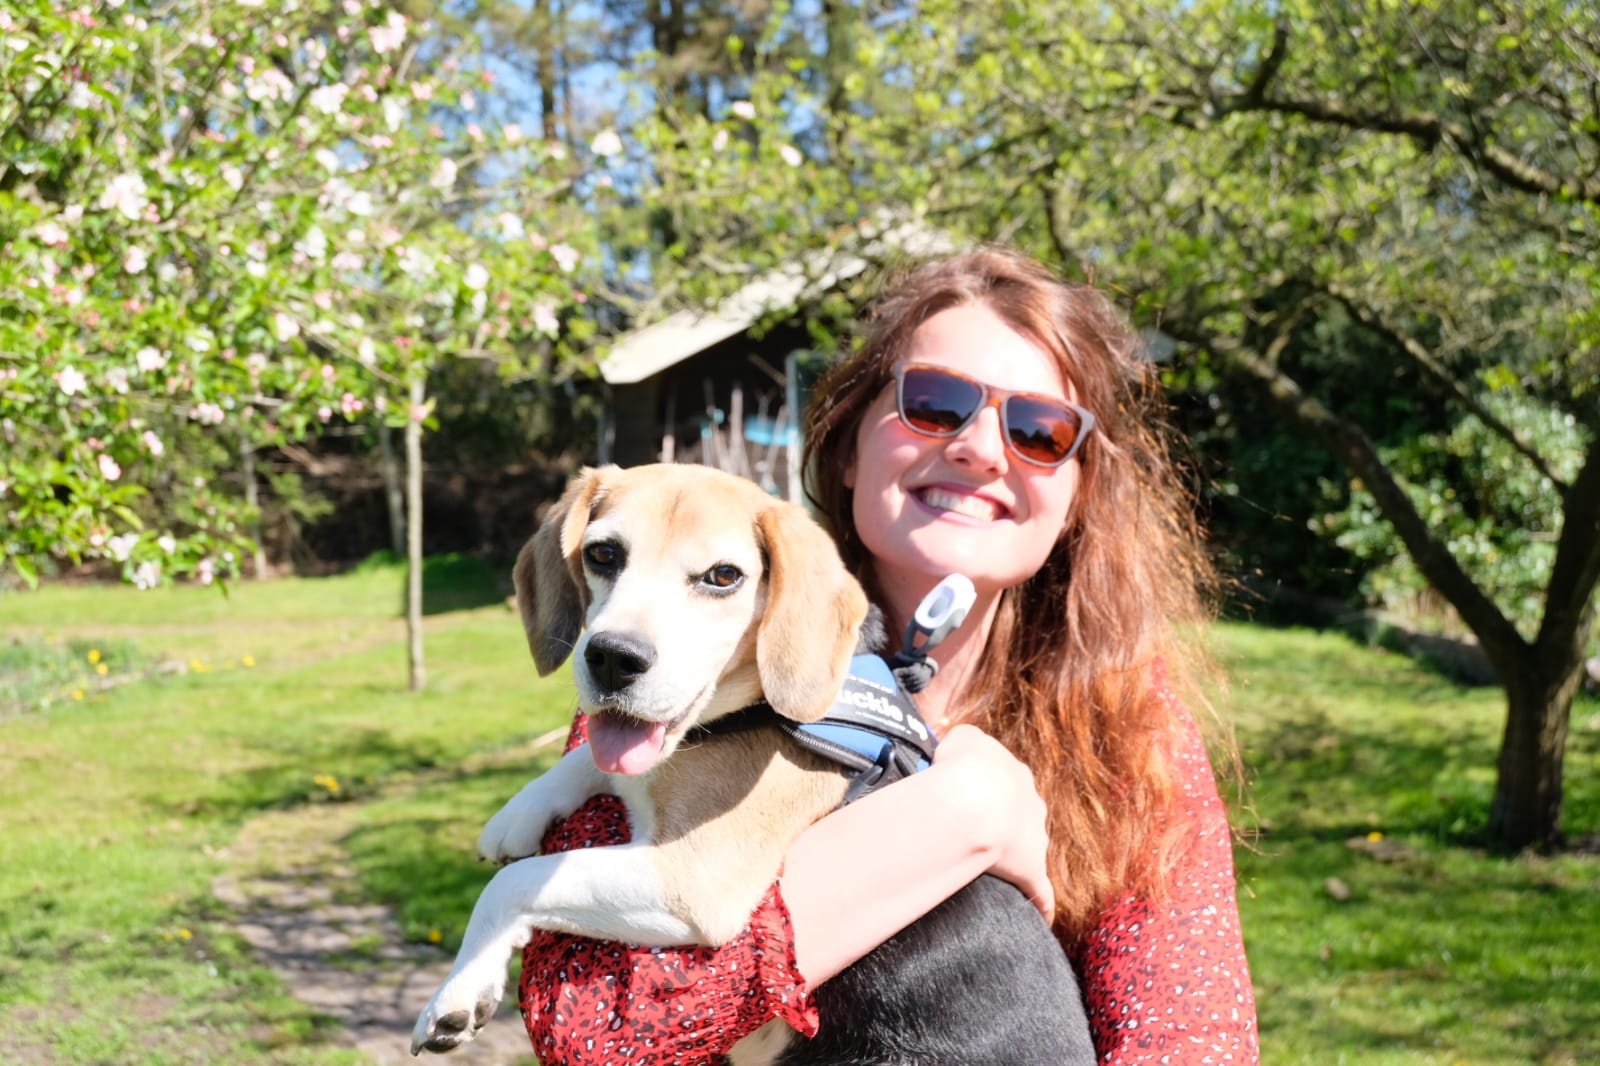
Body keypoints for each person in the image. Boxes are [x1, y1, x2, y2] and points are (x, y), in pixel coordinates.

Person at [516, 247, 1259, 1064]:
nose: (982, 448)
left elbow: (1190, 1044)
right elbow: (592, 1031)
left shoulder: (1130, 732)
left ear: (1078, 493)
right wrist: (953, 823)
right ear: (846, 446)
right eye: (935, 404)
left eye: (1039, 430)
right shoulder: (678, 675)